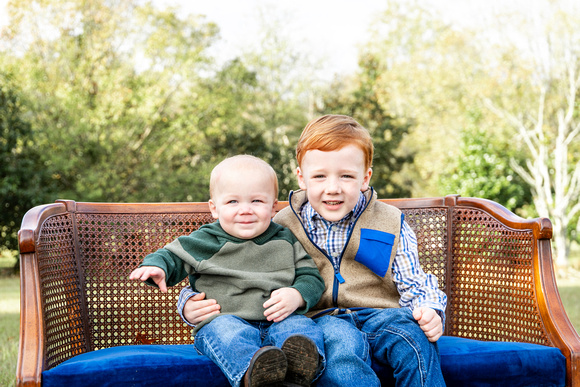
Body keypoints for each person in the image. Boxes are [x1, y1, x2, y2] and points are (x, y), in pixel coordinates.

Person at [178, 115, 448, 386]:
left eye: (346, 176)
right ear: (302, 177)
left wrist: (430, 309)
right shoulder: (281, 225)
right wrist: (189, 300)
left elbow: (414, 279)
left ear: (365, 178)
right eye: (319, 176)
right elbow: (233, 265)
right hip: (319, 319)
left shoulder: (390, 221)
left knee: (413, 337)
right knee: (341, 350)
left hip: (381, 314)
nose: (333, 188)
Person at [130, 155, 326, 387]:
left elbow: (311, 276)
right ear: (214, 208)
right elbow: (171, 255)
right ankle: (257, 373)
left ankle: (298, 373)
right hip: (226, 319)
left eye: (257, 201)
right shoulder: (206, 240)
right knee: (225, 333)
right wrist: (157, 266)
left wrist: (298, 295)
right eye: (233, 202)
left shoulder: (285, 239)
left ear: (273, 206)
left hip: (279, 320)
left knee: (301, 329)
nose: (245, 210)